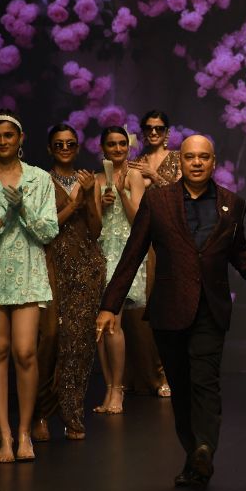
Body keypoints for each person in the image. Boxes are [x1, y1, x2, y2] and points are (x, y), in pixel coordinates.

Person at [96, 134, 246, 488]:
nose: (196, 162)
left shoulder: (232, 204)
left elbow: (239, 251)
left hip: (210, 308)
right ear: (181, 161)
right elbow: (133, 253)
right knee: (180, 384)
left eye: (203, 157)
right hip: (170, 307)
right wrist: (109, 305)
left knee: (205, 380)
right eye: (190, 157)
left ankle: (204, 448)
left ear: (213, 162)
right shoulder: (158, 201)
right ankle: (194, 454)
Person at [0, 109, 58, 462]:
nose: (3, 141)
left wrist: (23, 211)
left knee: (25, 351)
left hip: (28, 270)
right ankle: (4, 435)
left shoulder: (39, 179)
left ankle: (24, 432)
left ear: (20, 139)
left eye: (9, 135)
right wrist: (4, 217)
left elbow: (49, 231)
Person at [32, 124, 105, 441]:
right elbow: (44, 228)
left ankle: (73, 413)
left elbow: (96, 229)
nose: (65, 148)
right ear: (50, 148)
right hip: (51, 266)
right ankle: (41, 413)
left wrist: (88, 196)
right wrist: (74, 203)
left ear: (77, 147)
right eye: (59, 144)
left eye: (70, 144)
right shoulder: (40, 181)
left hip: (86, 267)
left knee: (79, 344)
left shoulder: (89, 180)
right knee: (49, 340)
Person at [93, 126, 166, 414]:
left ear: (128, 146)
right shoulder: (97, 179)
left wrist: (122, 194)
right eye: (111, 144)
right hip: (100, 254)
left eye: (122, 143)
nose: (118, 148)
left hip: (126, 254)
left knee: (114, 322)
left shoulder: (134, 176)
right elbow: (91, 225)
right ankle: (109, 386)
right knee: (100, 326)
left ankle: (118, 390)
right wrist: (100, 204)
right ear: (103, 148)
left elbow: (139, 220)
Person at [128, 109, 181, 188]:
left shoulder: (177, 158)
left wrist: (153, 174)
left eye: (159, 128)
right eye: (148, 128)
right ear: (144, 132)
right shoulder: (137, 162)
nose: (153, 132)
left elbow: (179, 192)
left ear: (167, 132)